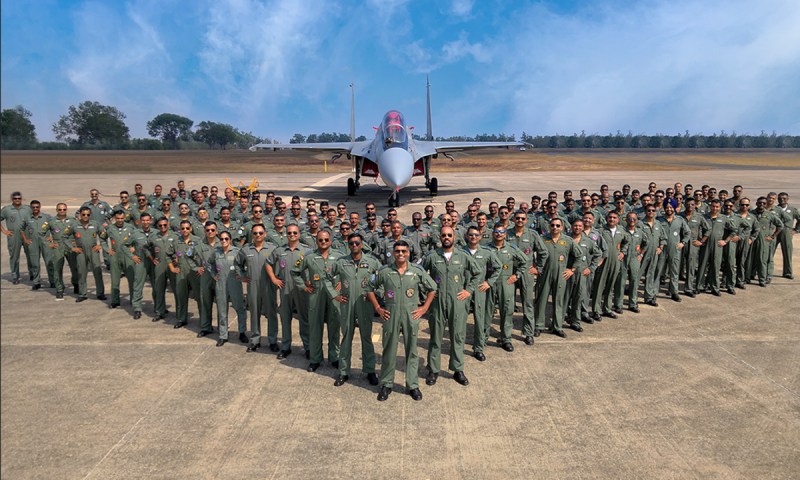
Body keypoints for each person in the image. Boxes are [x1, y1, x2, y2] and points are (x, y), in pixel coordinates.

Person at [367, 241, 437, 402]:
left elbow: (432, 288)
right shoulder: (384, 271)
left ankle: (412, 385)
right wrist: (378, 308)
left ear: (408, 253)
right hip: (390, 315)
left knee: (412, 350)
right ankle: (386, 384)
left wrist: (424, 308)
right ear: (393, 252)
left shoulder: (417, 271)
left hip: (411, 314)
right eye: (397, 251)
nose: (400, 254)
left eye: (403, 251)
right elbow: (369, 287)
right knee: (389, 350)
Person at [422, 227, 480, 387]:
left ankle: (457, 369)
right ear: (440, 237)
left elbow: (477, 273)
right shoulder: (432, 256)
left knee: (457, 336)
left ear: (454, 237)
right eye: (444, 235)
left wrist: (468, 290)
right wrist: (427, 291)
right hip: (437, 302)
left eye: (449, 235)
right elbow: (420, 274)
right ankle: (433, 369)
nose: (446, 237)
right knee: (436, 336)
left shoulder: (463, 256)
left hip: (457, 301)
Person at [325, 232, 381, 386]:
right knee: (346, 337)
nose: (354, 245)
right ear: (348, 245)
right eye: (351, 243)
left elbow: (382, 279)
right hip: (346, 303)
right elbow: (326, 277)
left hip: (365, 304)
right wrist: (334, 295)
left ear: (362, 244)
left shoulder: (372, 262)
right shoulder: (341, 262)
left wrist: (376, 295)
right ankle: (343, 371)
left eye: (357, 243)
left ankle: (370, 370)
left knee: (366, 337)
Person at [291, 230, 342, 371]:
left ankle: (334, 357)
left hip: (333, 295)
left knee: (334, 327)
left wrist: (343, 283)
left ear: (330, 241)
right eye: (320, 240)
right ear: (316, 241)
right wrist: (303, 286)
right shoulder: (308, 256)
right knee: (315, 328)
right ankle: (315, 358)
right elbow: (294, 271)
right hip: (316, 295)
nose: (323, 242)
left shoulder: (339, 256)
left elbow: (347, 271)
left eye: (326, 240)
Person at [266, 224, 310, 359]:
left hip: (301, 290)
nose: (292, 235)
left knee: (304, 319)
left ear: (299, 234)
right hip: (285, 289)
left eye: (295, 233)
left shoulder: (307, 251)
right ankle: (285, 347)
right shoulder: (279, 250)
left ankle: (308, 347)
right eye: (289, 233)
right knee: (285, 318)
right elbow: (268, 263)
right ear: (286, 234)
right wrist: (273, 278)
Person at [508, 210, 547, 343]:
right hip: (511, 273)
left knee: (528, 303)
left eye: (522, 218)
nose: (520, 220)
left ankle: (529, 332)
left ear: (526, 220)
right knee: (508, 303)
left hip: (526, 273)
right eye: (517, 218)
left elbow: (543, 252)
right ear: (513, 219)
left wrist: (538, 268)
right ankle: (506, 333)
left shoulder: (532, 234)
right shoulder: (507, 233)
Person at [463, 226, 501, 360]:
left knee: (480, 319)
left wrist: (489, 282)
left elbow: (498, 267)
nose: (473, 237)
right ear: (467, 236)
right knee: (460, 319)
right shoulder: (460, 252)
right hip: (464, 290)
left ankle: (478, 348)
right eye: (471, 235)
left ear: (480, 237)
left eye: (476, 235)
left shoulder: (486, 252)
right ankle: (458, 346)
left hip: (479, 289)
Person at [487, 223, 527, 352]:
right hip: (490, 283)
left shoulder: (511, 248)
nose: (499, 234)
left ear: (505, 234)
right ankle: (483, 337)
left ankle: (506, 339)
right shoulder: (486, 248)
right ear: (493, 233)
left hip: (506, 283)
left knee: (507, 311)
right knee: (487, 311)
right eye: (496, 232)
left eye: (501, 232)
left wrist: (517, 275)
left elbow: (525, 261)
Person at [237, 224, 276, 351]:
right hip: (253, 284)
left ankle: (272, 341)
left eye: (260, 233)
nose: (258, 235)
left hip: (268, 285)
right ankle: (255, 340)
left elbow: (279, 265)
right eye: (255, 233)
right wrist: (243, 276)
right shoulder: (246, 250)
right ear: (252, 235)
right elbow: (237, 264)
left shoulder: (272, 248)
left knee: (271, 313)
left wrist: (276, 278)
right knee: (254, 313)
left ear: (265, 234)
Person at [211, 230, 247, 346]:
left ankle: (242, 332)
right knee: (222, 310)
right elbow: (209, 264)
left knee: (240, 308)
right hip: (221, 284)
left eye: (226, 239)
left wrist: (242, 275)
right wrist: (213, 274)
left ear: (230, 240)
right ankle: (223, 335)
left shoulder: (237, 251)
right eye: (221, 239)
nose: (224, 241)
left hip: (234, 284)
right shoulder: (216, 252)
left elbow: (245, 264)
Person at [565, 219, 602, 328]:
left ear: (582, 227)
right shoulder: (566, 239)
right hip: (567, 273)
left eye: (579, 226)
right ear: (571, 227)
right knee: (564, 298)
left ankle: (575, 321)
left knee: (578, 298)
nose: (577, 228)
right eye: (575, 225)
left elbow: (598, 254)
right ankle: (560, 320)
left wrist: (591, 268)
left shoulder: (588, 241)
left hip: (581, 274)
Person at [591, 212, 628, 318]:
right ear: (606, 218)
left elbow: (626, 242)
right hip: (603, 261)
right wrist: (599, 256)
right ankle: (596, 310)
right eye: (610, 217)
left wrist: (623, 252)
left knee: (611, 286)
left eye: (614, 217)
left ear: (618, 219)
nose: (612, 219)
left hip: (615, 261)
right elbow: (594, 244)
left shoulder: (621, 230)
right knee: (599, 286)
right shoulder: (600, 231)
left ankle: (607, 308)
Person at [168, 220, 202, 328]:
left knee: (199, 297)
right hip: (181, 272)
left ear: (191, 229)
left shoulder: (197, 240)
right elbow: (168, 255)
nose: (185, 230)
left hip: (195, 272)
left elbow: (203, 255)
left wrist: (201, 267)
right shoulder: (176, 241)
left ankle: (203, 320)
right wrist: (172, 268)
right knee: (181, 296)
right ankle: (182, 319)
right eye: (182, 228)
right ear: (180, 230)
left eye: (187, 228)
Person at [695, 200, 734, 296]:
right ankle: (699, 286)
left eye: (717, 207)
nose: (715, 208)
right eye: (713, 206)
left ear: (720, 207)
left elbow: (733, 230)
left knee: (716, 267)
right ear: (710, 206)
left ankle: (715, 287)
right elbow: (698, 228)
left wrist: (725, 241)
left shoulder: (723, 218)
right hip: (705, 245)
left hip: (717, 245)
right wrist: (701, 240)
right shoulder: (704, 217)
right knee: (702, 266)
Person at [71, 206, 107, 302]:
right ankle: (82, 294)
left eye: (88, 214)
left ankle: (100, 293)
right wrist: (72, 248)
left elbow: (104, 235)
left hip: (93, 250)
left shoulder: (95, 224)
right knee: (81, 272)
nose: (86, 216)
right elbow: (65, 236)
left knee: (97, 271)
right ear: (80, 215)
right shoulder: (74, 225)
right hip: (81, 251)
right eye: (83, 214)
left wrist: (101, 245)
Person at [656, 201, 690, 301]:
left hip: (674, 249)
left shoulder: (679, 220)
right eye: (667, 207)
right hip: (661, 249)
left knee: (674, 271)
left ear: (674, 208)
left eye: (671, 207)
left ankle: (674, 292)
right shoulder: (659, 220)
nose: (669, 209)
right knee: (658, 270)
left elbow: (687, 232)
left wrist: (683, 242)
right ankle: (653, 291)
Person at [45, 203, 79, 300]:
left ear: (66, 209)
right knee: (57, 268)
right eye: (60, 209)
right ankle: (59, 289)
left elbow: (78, 231)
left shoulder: (73, 220)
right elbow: (41, 233)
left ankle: (76, 284)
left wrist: (76, 241)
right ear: (56, 210)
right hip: (58, 246)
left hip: (70, 246)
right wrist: (49, 243)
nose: (62, 211)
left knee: (74, 267)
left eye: (64, 209)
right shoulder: (51, 221)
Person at [749, 197, 782, 287]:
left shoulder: (769, 214)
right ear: (756, 203)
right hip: (751, 239)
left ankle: (762, 279)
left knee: (762, 260)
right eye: (760, 203)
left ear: (766, 204)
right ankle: (748, 276)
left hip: (763, 240)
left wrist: (772, 236)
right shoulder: (751, 213)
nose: (762, 205)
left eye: (764, 203)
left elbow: (780, 225)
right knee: (749, 259)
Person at [1, 192, 33, 284]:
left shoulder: (28, 208)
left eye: (19, 198)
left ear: (21, 199)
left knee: (31, 255)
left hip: (27, 235)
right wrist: (4, 231)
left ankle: (32, 273)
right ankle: (15, 276)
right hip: (14, 236)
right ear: (12, 199)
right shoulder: (6, 210)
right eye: (15, 198)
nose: (17, 200)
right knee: (14, 256)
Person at [20, 200, 53, 289]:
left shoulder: (46, 217)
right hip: (33, 242)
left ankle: (53, 281)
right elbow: (21, 229)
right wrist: (25, 240)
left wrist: (52, 237)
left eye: (37, 207)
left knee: (49, 262)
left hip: (45, 242)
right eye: (33, 207)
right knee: (34, 263)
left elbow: (55, 226)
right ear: (31, 208)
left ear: (40, 207)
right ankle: (36, 282)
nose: (35, 209)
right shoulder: (27, 218)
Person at [195, 221, 219, 337]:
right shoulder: (199, 245)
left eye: (212, 230)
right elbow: (188, 255)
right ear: (204, 231)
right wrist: (196, 267)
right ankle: (206, 327)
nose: (210, 232)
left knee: (221, 303)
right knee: (205, 302)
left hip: (219, 277)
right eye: (208, 230)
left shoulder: (222, 242)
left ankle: (222, 327)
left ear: (216, 231)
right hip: (206, 277)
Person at [775, 192, 799, 279]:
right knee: (770, 252)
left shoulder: (792, 210)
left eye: (784, 198)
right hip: (775, 232)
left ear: (788, 199)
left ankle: (787, 272)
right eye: (780, 198)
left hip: (787, 232)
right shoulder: (774, 209)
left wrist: (796, 230)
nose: (782, 200)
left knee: (787, 253)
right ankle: (767, 272)